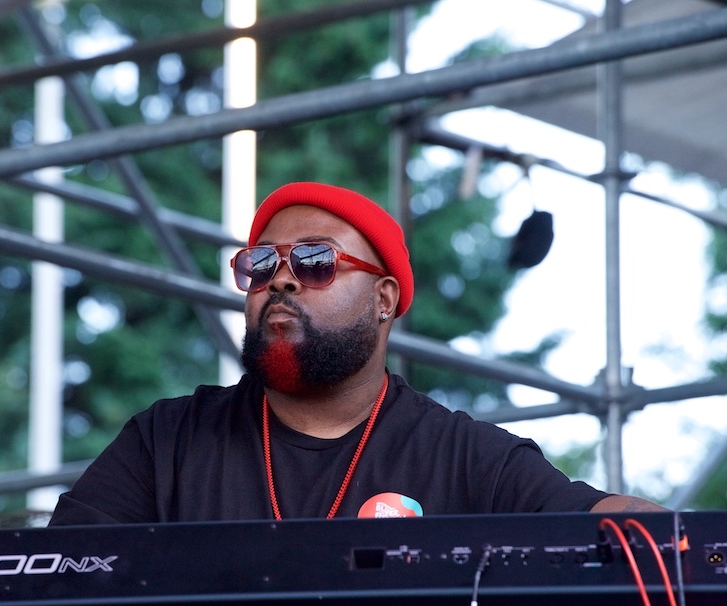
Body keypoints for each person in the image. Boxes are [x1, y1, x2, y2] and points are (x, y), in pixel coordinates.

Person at [49, 181, 662, 525]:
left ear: (384, 300)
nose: (282, 280)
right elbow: (55, 583)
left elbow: (617, 526)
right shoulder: (167, 441)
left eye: (316, 262)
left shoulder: (466, 456)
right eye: (261, 264)